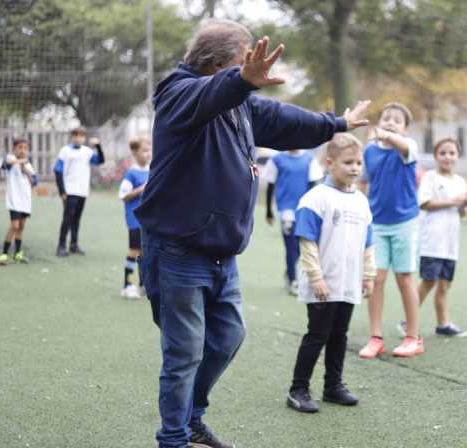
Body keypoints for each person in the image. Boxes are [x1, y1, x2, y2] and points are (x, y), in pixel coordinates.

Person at [133, 20, 370, 448]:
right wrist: (241, 79)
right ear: (218, 63)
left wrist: (337, 123)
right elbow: (210, 93)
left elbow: (282, 119)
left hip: (222, 253)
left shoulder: (239, 104)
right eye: (245, 62)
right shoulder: (178, 93)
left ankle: (190, 418)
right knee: (184, 353)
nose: (254, 70)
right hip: (177, 251)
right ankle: (173, 439)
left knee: (227, 339)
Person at [285, 133, 374, 413]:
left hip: (348, 282)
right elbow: (307, 242)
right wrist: (316, 277)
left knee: (340, 334)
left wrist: (368, 274)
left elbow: (367, 243)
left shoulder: (361, 200)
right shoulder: (315, 199)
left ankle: (333, 386)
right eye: (348, 162)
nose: (355, 168)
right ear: (330, 163)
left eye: (358, 162)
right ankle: (298, 389)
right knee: (318, 334)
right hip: (323, 283)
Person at [358, 102, 423, 359]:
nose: (391, 122)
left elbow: (402, 145)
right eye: (386, 118)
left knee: (405, 278)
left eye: (397, 120)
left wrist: (388, 135)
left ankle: (413, 337)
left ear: (405, 129)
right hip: (377, 223)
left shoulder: (409, 148)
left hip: (405, 222)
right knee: (375, 280)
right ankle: (376, 337)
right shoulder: (369, 151)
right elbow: (363, 184)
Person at [416, 138, 467, 337]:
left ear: (457, 156)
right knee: (428, 281)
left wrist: (463, 204)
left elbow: (462, 212)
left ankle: (443, 324)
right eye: (443, 153)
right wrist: (453, 201)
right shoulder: (430, 177)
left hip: (450, 244)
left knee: (445, 284)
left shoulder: (460, 182)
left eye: (452, 153)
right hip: (433, 242)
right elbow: (424, 203)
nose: (447, 157)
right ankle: (408, 320)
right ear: (435, 156)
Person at [264, 148, 324, 295]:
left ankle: (290, 271)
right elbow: (270, 185)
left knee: (301, 247)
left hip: (304, 210)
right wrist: (269, 210)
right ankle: (292, 280)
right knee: (291, 247)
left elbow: (314, 184)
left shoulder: (309, 159)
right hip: (287, 211)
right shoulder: (276, 159)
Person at [53, 127, 105, 257]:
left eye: (81, 136)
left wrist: (98, 145)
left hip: (82, 191)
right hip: (70, 191)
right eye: (76, 135)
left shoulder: (87, 151)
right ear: (72, 137)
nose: (78, 138)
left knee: (77, 219)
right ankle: (61, 245)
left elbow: (100, 161)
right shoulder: (65, 151)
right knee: (67, 219)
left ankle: (74, 244)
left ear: (84, 137)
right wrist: (62, 190)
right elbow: (58, 170)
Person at [117, 136, 152, 299]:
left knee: (146, 251)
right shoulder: (131, 173)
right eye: (144, 150)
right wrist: (140, 190)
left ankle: (143, 285)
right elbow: (122, 196)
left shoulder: (152, 170)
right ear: (135, 152)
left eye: (149, 150)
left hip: (149, 219)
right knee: (135, 250)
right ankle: (127, 285)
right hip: (134, 218)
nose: (148, 154)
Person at [0, 138, 38, 265]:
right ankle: (4, 254)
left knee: (21, 227)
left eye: (25, 148)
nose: (23, 150)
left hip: (25, 201)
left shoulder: (28, 165)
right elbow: (5, 164)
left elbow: (34, 183)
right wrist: (19, 161)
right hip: (14, 200)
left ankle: (18, 254)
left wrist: (26, 172)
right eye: (20, 147)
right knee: (14, 226)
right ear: (14, 148)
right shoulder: (11, 159)